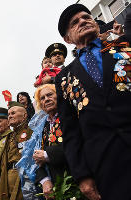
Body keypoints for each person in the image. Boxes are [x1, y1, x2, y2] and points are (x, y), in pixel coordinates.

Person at [55, 4, 131, 200]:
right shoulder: (63, 77)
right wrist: (82, 176)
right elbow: (70, 131)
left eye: (86, 16)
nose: (83, 21)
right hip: (107, 165)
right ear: (67, 39)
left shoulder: (125, 46)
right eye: (75, 22)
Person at [32, 84, 69, 199]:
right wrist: (45, 180)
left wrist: (47, 155)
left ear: (58, 96)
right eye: (42, 98)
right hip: (55, 189)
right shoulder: (43, 126)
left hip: (76, 181)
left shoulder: (69, 116)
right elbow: (37, 157)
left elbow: (76, 146)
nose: (46, 99)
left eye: (50, 95)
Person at [0, 101, 33, 200]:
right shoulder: (10, 136)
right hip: (8, 176)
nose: (9, 116)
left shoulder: (31, 131)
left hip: (24, 177)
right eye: (8, 114)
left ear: (24, 115)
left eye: (13, 113)